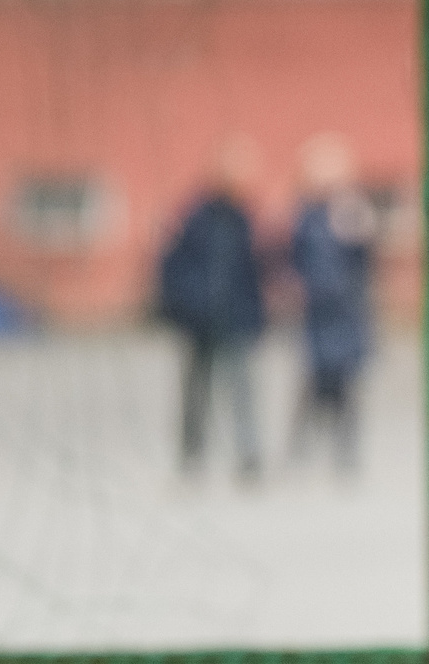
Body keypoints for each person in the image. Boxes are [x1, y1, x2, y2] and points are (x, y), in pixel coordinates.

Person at [157, 139, 267, 479]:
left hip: (236, 319)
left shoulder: (244, 219)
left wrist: (256, 316)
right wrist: (187, 305)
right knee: (196, 393)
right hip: (199, 320)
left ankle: (248, 454)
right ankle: (191, 456)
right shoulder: (194, 217)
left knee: (241, 389)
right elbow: (173, 266)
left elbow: (254, 271)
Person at [286, 135, 379, 473]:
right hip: (317, 311)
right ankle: (300, 449)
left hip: (347, 311)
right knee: (314, 382)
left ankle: (345, 452)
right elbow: (291, 257)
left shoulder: (351, 212)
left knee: (347, 386)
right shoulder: (304, 216)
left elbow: (365, 260)